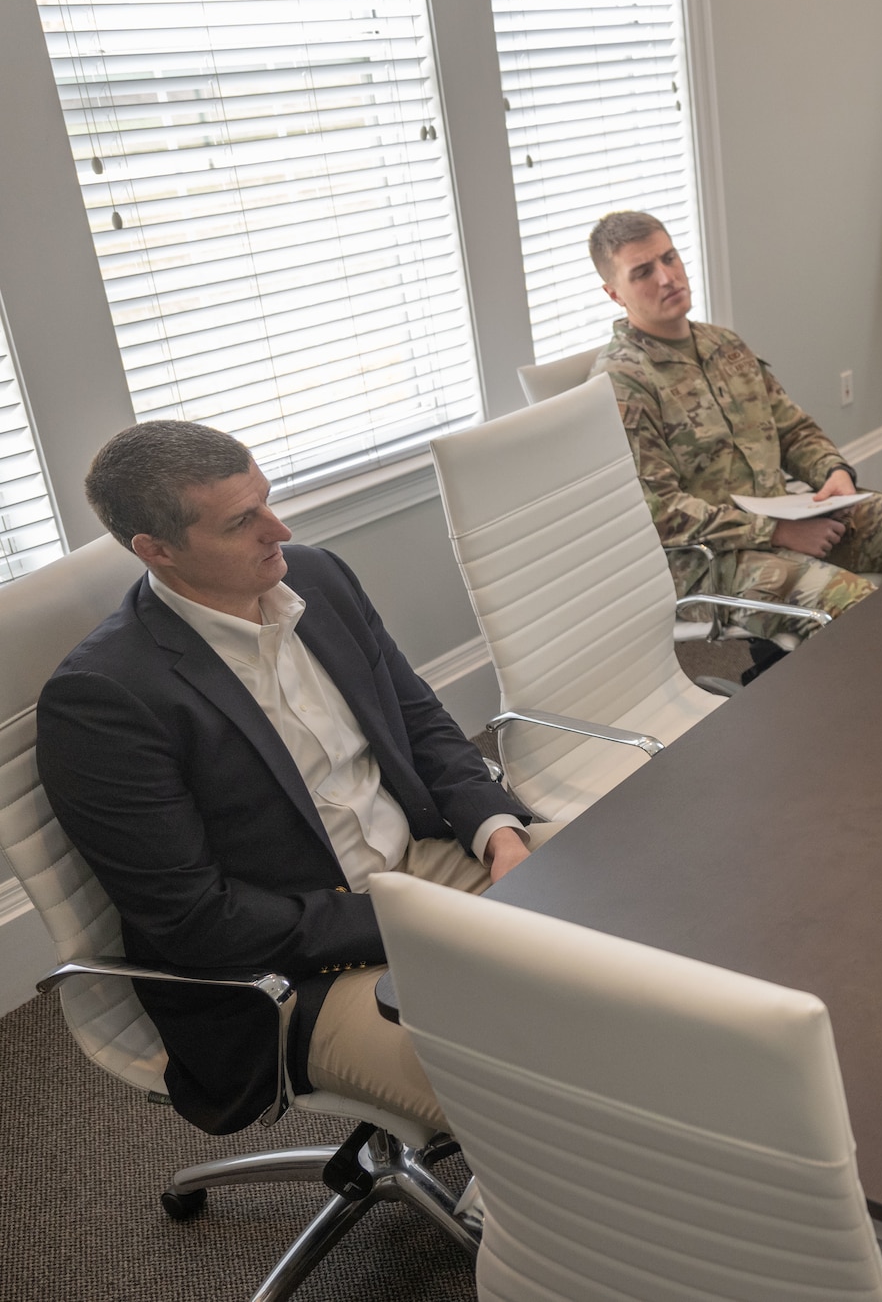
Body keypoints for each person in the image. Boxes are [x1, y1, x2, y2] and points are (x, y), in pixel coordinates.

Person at [38, 422, 536, 1136]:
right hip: (295, 977)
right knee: (539, 1087)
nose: (280, 527)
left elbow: (421, 723)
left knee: (652, 945)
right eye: (243, 521)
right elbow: (198, 922)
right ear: (156, 550)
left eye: (266, 500)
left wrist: (498, 836)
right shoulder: (104, 700)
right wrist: (416, 921)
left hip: (433, 865)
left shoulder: (317, 577)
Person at [589, 211, 882, 644]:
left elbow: (793, 430)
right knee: (855, 604)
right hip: (710, 562)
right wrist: (778, 532)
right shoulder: (621, 383)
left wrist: (834, 474)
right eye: (643, 272)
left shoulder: (723, 345)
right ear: (614, 293)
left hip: (787, 516)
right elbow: (661, 514)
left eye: (670, 258)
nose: (667, 277)